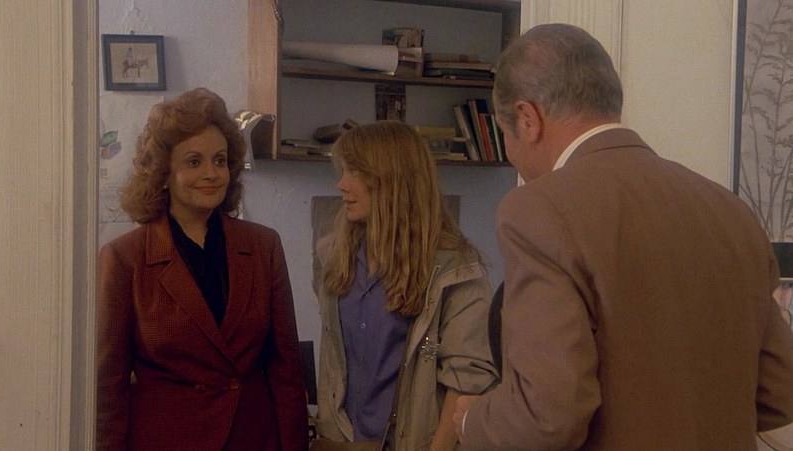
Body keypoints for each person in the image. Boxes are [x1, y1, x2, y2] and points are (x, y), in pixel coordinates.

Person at [453, 23, 793, 450]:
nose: (512, 154)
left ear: (527, 119)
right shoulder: (730, 211)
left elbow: (547, 417)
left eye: (505, 134)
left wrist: (472, 420)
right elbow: (779, 391)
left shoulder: (538, 210)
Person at [96, 87, 309, 450]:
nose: (211, 174)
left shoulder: (263, 246)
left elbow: (286, 369)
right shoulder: (124, 258)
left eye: (219, 160)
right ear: (164, 172)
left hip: (252, 439)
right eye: (194, 162)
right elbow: (108, 388)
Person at [312, 120, 499, 450]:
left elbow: (467, 380)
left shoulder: (455, 270)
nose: (341, 184)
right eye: (343, 170)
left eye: (354, 171)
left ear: (391, 180)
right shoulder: (333, 256)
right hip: (344, 440)